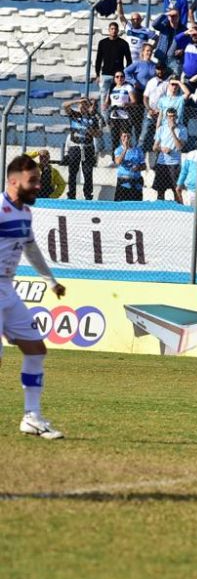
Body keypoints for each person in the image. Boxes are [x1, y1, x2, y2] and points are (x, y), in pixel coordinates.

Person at [2, 155, 68, 440]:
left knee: (36, 350)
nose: (38, 186)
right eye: (33, 181)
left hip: (7, 289)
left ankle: (32, 417)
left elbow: (31, 250)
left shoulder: (24, 213)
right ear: (13, 181)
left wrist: (50, 281)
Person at [61, 97, 102, 201]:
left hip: (87, 147)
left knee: (87, 172)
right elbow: (64, 105)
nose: (83, 107)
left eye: (85, 105)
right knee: (73, 172)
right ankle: (71, 195)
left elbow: (98, 134)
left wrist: (91, 131)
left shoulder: (93, 118)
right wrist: (77, 101)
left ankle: (88, 195)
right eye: (81, 105)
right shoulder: (74, 115)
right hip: (75, 147)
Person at [94, 22, 133, 110]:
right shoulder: (102, 43)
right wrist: (97, 74)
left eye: (115, 29)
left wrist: (125, 74)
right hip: (106, 74)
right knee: (104, 98)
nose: (114, 31)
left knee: (118, 97)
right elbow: (98, 59)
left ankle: (117, 119)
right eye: (112, 29)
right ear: (109, 30)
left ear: (118, 30)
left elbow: (129, 60)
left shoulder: (123, 43)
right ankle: (105, 121)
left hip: (119, 76)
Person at [152, 107, 187, 202]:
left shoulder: (182, 129)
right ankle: (159, 209)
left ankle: (180, 210)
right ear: (166, 117)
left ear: (176, 117)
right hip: (162, 163)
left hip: (174, 164)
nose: (171, 118)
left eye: (173, 116)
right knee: (160, 191)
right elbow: (154, 147)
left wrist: (172, 131)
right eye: (169, 116)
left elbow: (180, 147)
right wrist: (162, 149)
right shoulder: (161, 129)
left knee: (176, 190)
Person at [113, 130, 145, 201]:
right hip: (123, 181)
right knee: (120, 205)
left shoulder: (138, 150)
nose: (126, 138)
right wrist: (125, 149)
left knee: (136, 205)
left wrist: (138, 167)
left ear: (131, 137)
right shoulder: (118, 150)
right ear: (121, 137)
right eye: (124, 136)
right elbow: (118, 161)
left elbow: (144, 166)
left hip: (136, 181)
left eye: (128, 136)